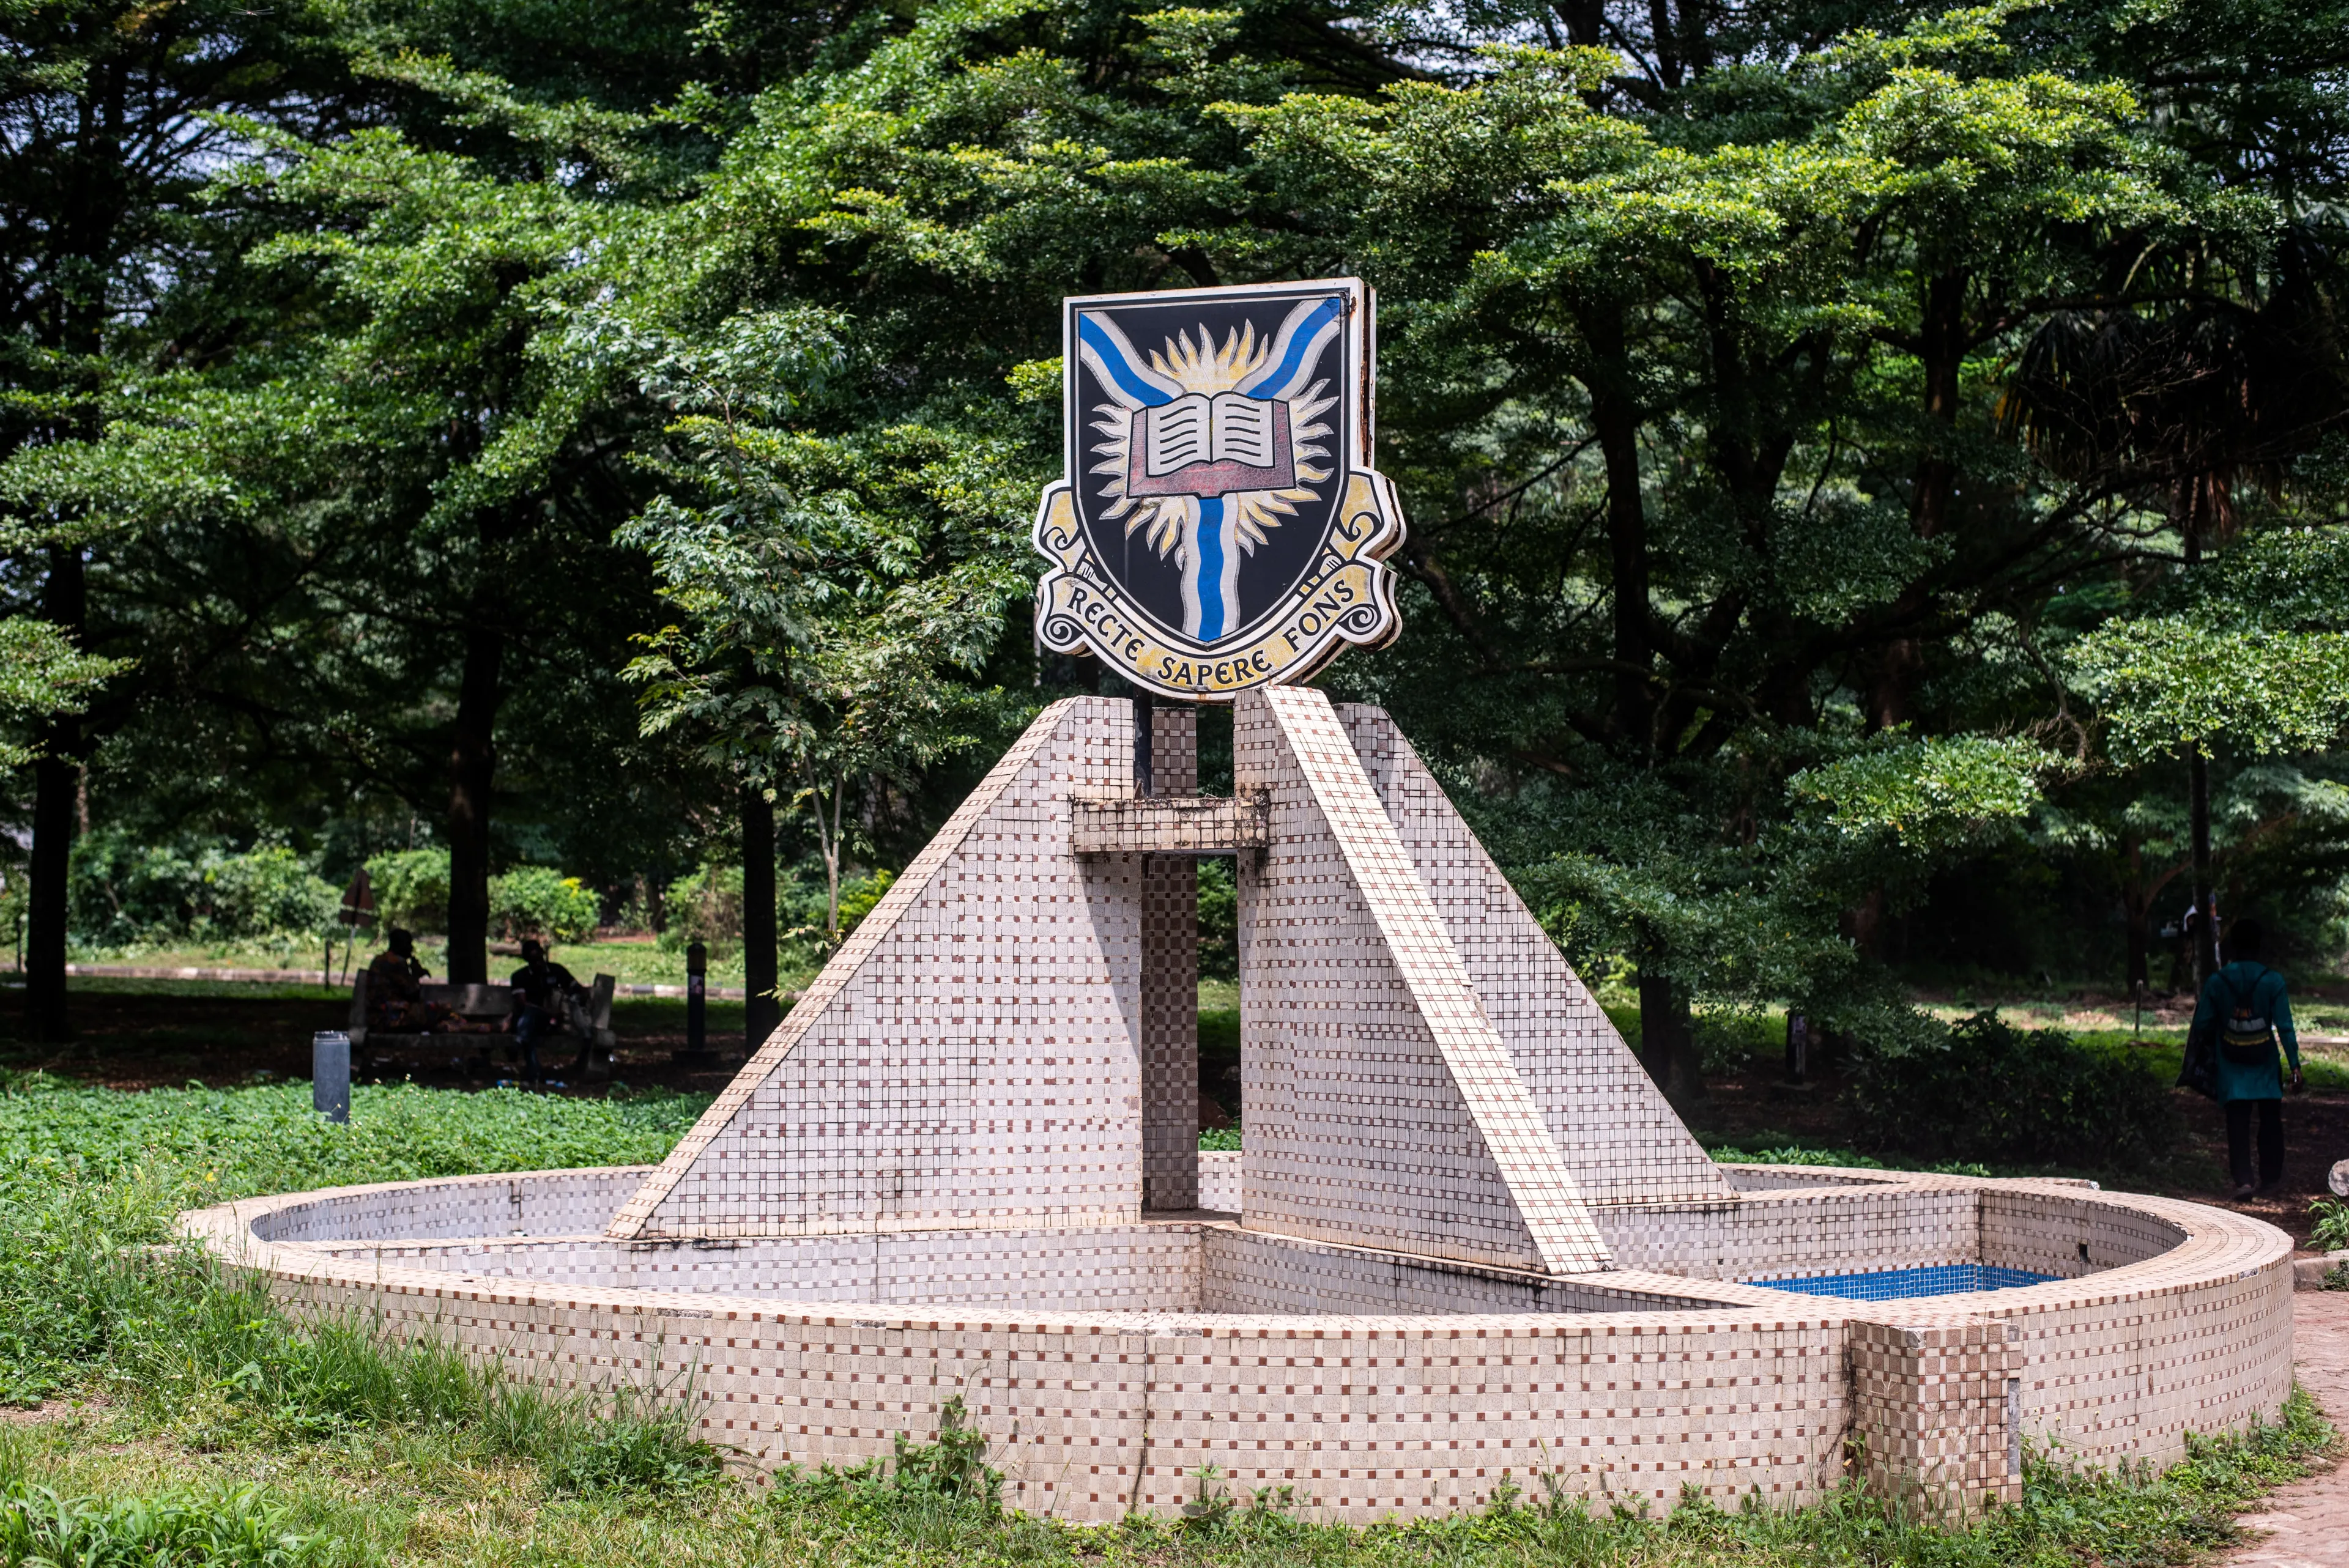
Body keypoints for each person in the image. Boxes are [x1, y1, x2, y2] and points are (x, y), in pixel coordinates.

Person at [2191, 917, 2304, 1199]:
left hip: (2231, 1064)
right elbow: (2286, 1027)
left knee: (2237, 1122)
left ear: (2233, 946)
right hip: (2265, 1062)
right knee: (2270, 1120)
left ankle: (2244, 1181)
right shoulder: (2272, 981)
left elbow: (2202, 1023)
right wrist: (2295, 1066)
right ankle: (2271, 1178)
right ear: (2259, 946)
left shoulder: (2218, 982)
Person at [507, 937, 587, 1084]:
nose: (538, 963)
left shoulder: (557, 971)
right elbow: (522, 1003)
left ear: (543, 955)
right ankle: (534, 1074)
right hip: (534, 1019)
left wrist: (567, 1002)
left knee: (527, 1029)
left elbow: (578, 990)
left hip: (555, 1020)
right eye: (533, 961)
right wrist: (546, 1012)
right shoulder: (520, 977)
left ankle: (519, 1042)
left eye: (539, 958)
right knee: (530, 1020)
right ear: (527, 960)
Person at [365, 928, 465, 1034]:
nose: (411, 948)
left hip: (377, 1015)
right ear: (400, 945)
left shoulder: (379, 960)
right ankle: (461, 1025)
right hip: (391, 1017)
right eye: (408, 944)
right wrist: (416, 974)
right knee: (440, 1009)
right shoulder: (396, 962)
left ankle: (453, 1025)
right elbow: (412, 993)